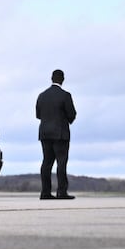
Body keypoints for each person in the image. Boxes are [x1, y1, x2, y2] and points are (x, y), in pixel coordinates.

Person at [34, 70, 76, 200]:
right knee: (61, 163)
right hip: (60, 133)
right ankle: (61, 191)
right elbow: (72, 114)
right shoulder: (65, 96)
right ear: (62, 79)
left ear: (51, 78)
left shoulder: (42, 95)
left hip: (45, 133)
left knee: (46, 163)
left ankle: (45, 192)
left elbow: (38, 115)